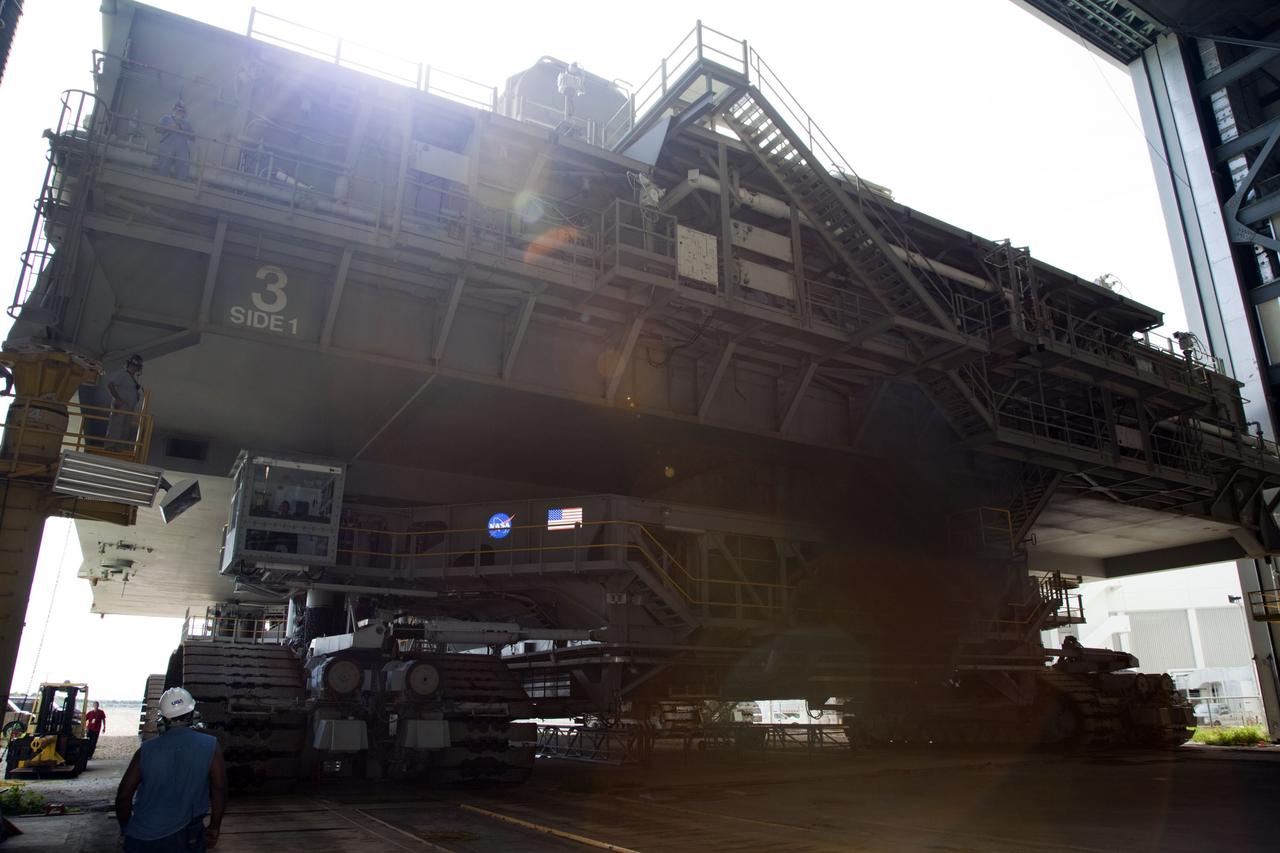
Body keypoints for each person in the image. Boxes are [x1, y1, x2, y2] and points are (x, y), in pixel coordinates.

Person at [116, 687, 226, 852]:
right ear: (192, 714)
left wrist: (126, 827)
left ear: (163, 718)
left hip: (141, 837)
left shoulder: (146, 750)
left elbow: (124, 796)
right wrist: (214, 826)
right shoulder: (210, 746)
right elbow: (219, 788)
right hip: (186, 836)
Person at [105, 354, 144, 453]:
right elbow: (110, 385)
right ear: (129, 364)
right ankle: (110, 448)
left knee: (124, 429)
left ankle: (118, 449)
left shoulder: (133, 379)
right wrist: (117, 399)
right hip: (121, 406)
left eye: (137, 366)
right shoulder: (123, 374)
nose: (135, 368)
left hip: (129, 409)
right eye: (134, 365)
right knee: (116, 426)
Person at [155, 102, 194, 180]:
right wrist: (167, 127)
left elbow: (193, 137)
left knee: (183, 167)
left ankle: (181, 186)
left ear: (184, 113)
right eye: (178, 110)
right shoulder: (166, 118)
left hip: (182, 149)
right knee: (163, 166)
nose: (180, 112)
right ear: (174, 110)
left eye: (182, 111)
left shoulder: (187, 123)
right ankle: (159, 182)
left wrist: (181, 129)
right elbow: (157, 129)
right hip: (167, 146)